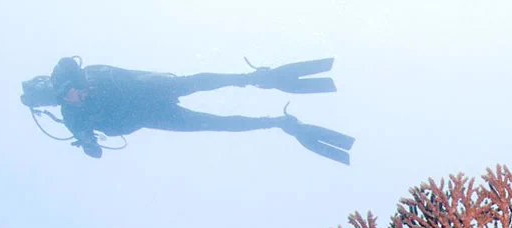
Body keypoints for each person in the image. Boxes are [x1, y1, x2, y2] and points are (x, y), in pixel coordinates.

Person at [20, 56, 355, 164]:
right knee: (215, 124)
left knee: (201, 81)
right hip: (151, 116)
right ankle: (281, 123)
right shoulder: (72, 116)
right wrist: (88, 142)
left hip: (152, 92)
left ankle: (259, 78)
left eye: (72, 91)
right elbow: (94, 152)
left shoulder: (92, 74)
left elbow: (131, 75)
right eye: (66, 98)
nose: (73, 98)